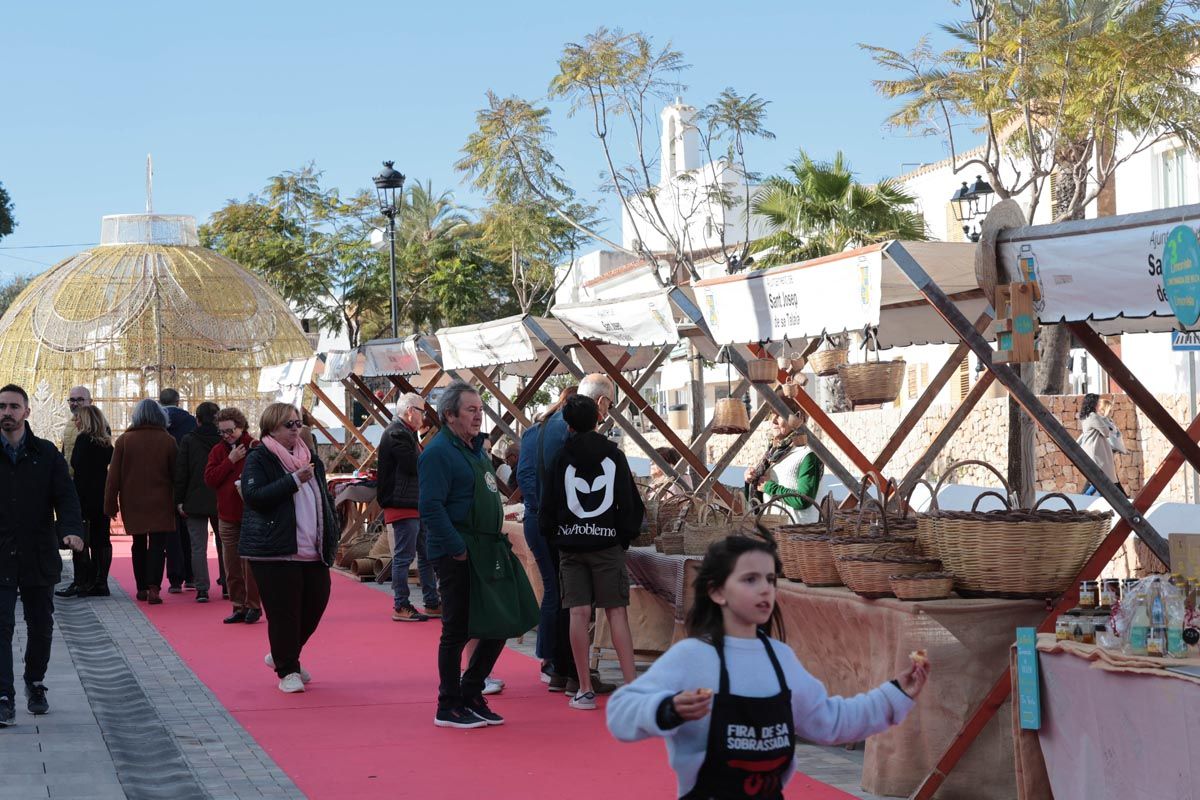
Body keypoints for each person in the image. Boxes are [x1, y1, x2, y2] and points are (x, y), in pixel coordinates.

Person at [607, 535, 928, 799]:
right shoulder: (692, 656)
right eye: (750, 579)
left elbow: (830, 722)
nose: (765, 589)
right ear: (717, 591)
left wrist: (894, 694)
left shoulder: (781, 658)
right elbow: (621, 712)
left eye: (770, 580)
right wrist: (667, 709)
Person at [540, 394, 644, 710]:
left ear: (568, 425)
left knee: (578, 613)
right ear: (598, 420)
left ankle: (584, 688)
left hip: (571, 546)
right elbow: (630, 503)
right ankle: (632, 688)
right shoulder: (614, 455)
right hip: (607, 544)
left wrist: (559, 537)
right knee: (616, 613)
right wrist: (621, 538)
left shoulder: (560, 458)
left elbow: (549, 505)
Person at [419, 382, 509, 729]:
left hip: (486, 549)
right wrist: (456, 548)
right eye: (470, 410)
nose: (478, 415)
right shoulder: (438, 452)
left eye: (480, 409)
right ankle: (448, 703)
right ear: (449, 415)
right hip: (458, 552)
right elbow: (430, 506)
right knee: (456, 630)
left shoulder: (473, 449)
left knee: (498, 621)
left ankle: (471, 692)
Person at [0, 384, 85, 726]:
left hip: (38, 551)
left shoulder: (46, 453)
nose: (7, 412)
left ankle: (35, 682)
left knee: (41, 626)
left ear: (26, 412)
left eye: (13, 407)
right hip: (1, 553)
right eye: (2, 407)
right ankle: (4, 696)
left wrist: (71, 529)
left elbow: (66, 496)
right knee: (1, 626)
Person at [240, 403, 337, 694]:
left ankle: (284, 654)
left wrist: (332, 531)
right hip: (275, 550)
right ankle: (288, 669)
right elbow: (254, 496)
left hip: (312, 548)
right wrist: (293, 481)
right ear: (272, 428)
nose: (296, 429)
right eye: (289, 425)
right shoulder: (260, 457)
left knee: (316, 604)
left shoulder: (311, 459)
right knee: (285, 613)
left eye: (298, 423)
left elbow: (324, 499)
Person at [516, 386, 578, 693]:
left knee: (552, 589)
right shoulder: (567, 430)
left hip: (532, 518)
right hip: (556, 521)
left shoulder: (532, 431)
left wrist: (534, 504)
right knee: (560, 592)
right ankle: (554, 660)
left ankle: (550, 660)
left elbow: (523, 475)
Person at [104, 399, 178, 605]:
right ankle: (154, 587)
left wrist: (110, 504)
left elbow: (113, 477)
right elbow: (176, 475)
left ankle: (142, 587)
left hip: (132, 500)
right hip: (161, 501)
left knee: (138, 544)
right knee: (157, 545)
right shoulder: (168, 440)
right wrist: (179, 501)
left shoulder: (125, 440)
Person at [378, 393, 440, 623]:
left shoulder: (404, 433)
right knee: (405, 556)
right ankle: (401, 604)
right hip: (403, 502)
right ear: (410, 411)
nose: (424, 415)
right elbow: (413, 465)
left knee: (425, 554)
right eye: (422, 411)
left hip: (413, 502)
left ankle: (432, 602)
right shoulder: (397, 433)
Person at [204, 407, 262, 623]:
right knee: (231, 564)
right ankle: (238, 606)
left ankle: (254, 605)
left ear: (241, 427)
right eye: (222, 432)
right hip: (226, 515)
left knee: (250, 563)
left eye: (230, 431)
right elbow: (210, 479)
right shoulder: (218, 451)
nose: (226, 436)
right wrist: (230, 461)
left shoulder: (255, 447)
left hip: (250, 513)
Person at [175, 401, 222, 604]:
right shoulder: (224, 440)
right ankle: (229, 585)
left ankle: (202, 588)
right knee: (225, 544)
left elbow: (181, 472)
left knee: (198, 547)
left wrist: (179, 500)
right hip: (221, 498)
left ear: (197, 420)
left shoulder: (188, 440)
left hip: (194, 499)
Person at [746, 412, 824, 524]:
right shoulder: (773, 454)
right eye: (771, 415)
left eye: (779, 414)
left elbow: (804, 500)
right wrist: (751, 480)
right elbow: (759, 498)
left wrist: (769, 487)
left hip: (799, 534)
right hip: (774, 532)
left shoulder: (807, 454)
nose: (773, 421)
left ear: (797, 418)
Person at [70, 405, 115, 596]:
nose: (75, 421)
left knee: (82, 539)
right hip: (102, 494)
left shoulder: (82, 440)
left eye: (78, 418)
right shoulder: (106, 443)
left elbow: (75, 464)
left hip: (84, 495)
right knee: (102, 539)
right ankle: (101, 581)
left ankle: (84, 581)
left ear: (86, 420)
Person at [55, 386, 94, 597]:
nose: (75, 403)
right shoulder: (71, 424)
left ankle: (88, 581)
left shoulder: (94, 425)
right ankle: (81, 580)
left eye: (79, 399)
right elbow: (65, 452)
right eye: (71, 400)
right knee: (75, 535)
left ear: (89, 401)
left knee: (87, 537)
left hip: (87, 488)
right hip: (70, 485)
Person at [160, 388, 196, 592]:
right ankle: (191, 575)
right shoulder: (190, 421)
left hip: (165, 482)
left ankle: (174, 579)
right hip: (188, 482)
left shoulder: (157, 422)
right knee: (190, 530)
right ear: (178, 401)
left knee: (170, 532)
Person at [1078, 393, 1129, 495]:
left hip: (1092, 450)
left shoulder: (1085, 416)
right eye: (1097, 402)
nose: (1098, 405)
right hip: (1097, 452)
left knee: (1099, 480)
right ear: (1093, 404)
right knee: (1103, 480)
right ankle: (1086, 498)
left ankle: (1087, 498)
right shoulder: (1093, 416)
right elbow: (1106, 432)